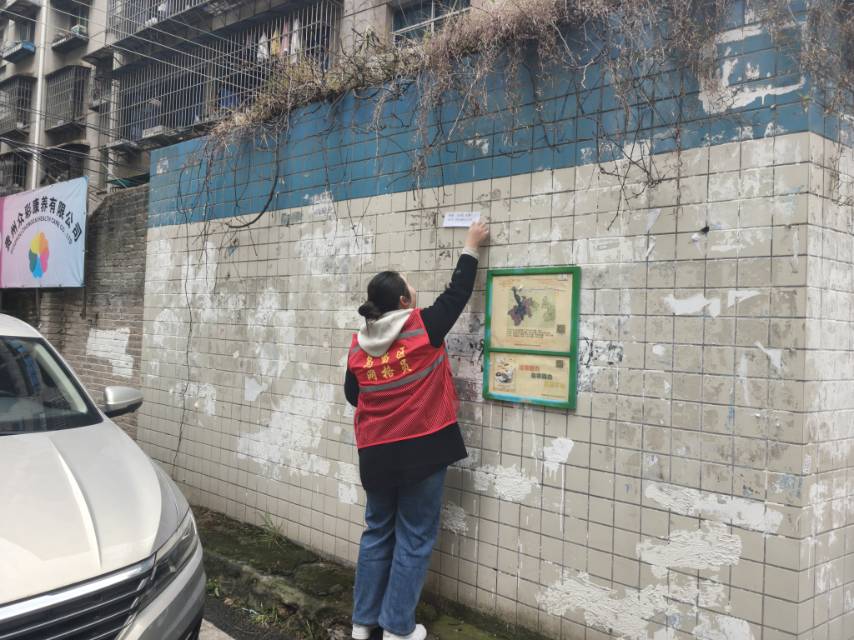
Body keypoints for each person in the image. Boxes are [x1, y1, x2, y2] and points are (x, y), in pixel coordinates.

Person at [345, 220, 489, 640]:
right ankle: (397, 629)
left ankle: (363, 623)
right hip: (422, 452)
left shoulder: (358, 344)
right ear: (404, 300)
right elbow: (457, 294)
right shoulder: (422, 326)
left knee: (377, 533)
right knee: (413, 536)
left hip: (375, 455)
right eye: (410, 286)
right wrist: (471, 245)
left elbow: (354, 395)